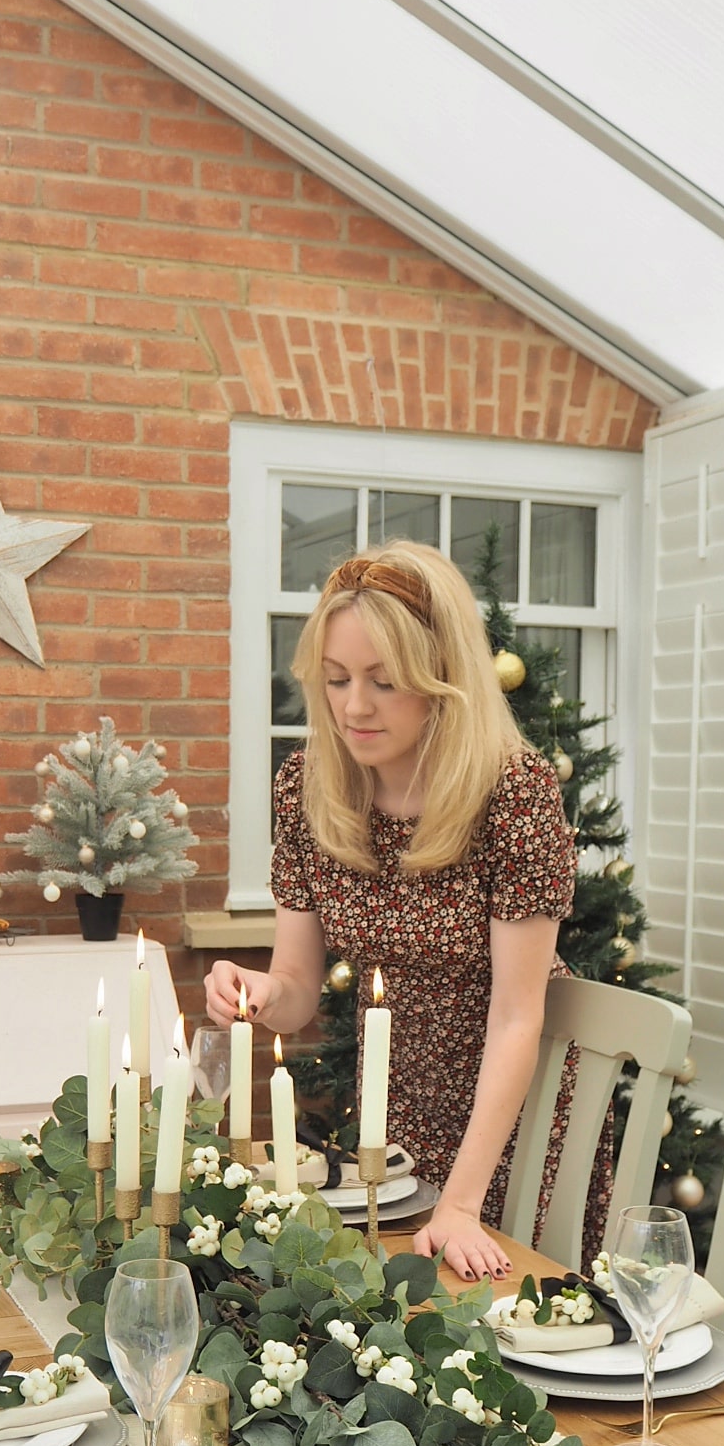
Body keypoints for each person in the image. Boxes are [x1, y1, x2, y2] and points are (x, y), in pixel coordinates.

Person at [205, 542, 609, 1282]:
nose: (354, 706)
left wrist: (461, 1204)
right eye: (336, 679)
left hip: (511, 1124)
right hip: (393, 1122)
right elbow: (296, 990)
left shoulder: (511, 793)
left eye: (385, 682)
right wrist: (259, 994)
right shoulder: (309, 786)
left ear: (443, 678)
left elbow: (519, 1017)